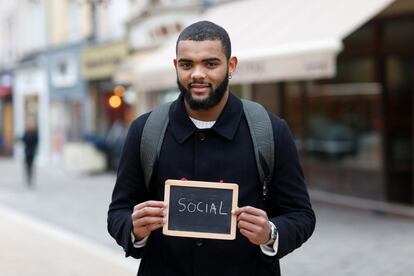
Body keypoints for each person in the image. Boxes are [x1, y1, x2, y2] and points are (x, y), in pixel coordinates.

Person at [108, 21, 315, 275]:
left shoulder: (269, 131)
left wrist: (270, 233)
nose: (197, 74)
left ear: (231, 66)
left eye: (210, 63)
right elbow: (118, 212)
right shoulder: (145, 130)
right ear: (176, 67)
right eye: (186, 64)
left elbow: (301, 215)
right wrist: (134, 228)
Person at [22, 118, 38, 187]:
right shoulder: (26, 132)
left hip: (32, 152)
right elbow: (23, 139)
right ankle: (28, 178)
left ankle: (30, 179)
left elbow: (36, 141)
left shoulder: (34, 133)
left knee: (31, 166)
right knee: (27, 166)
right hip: (27, 152)